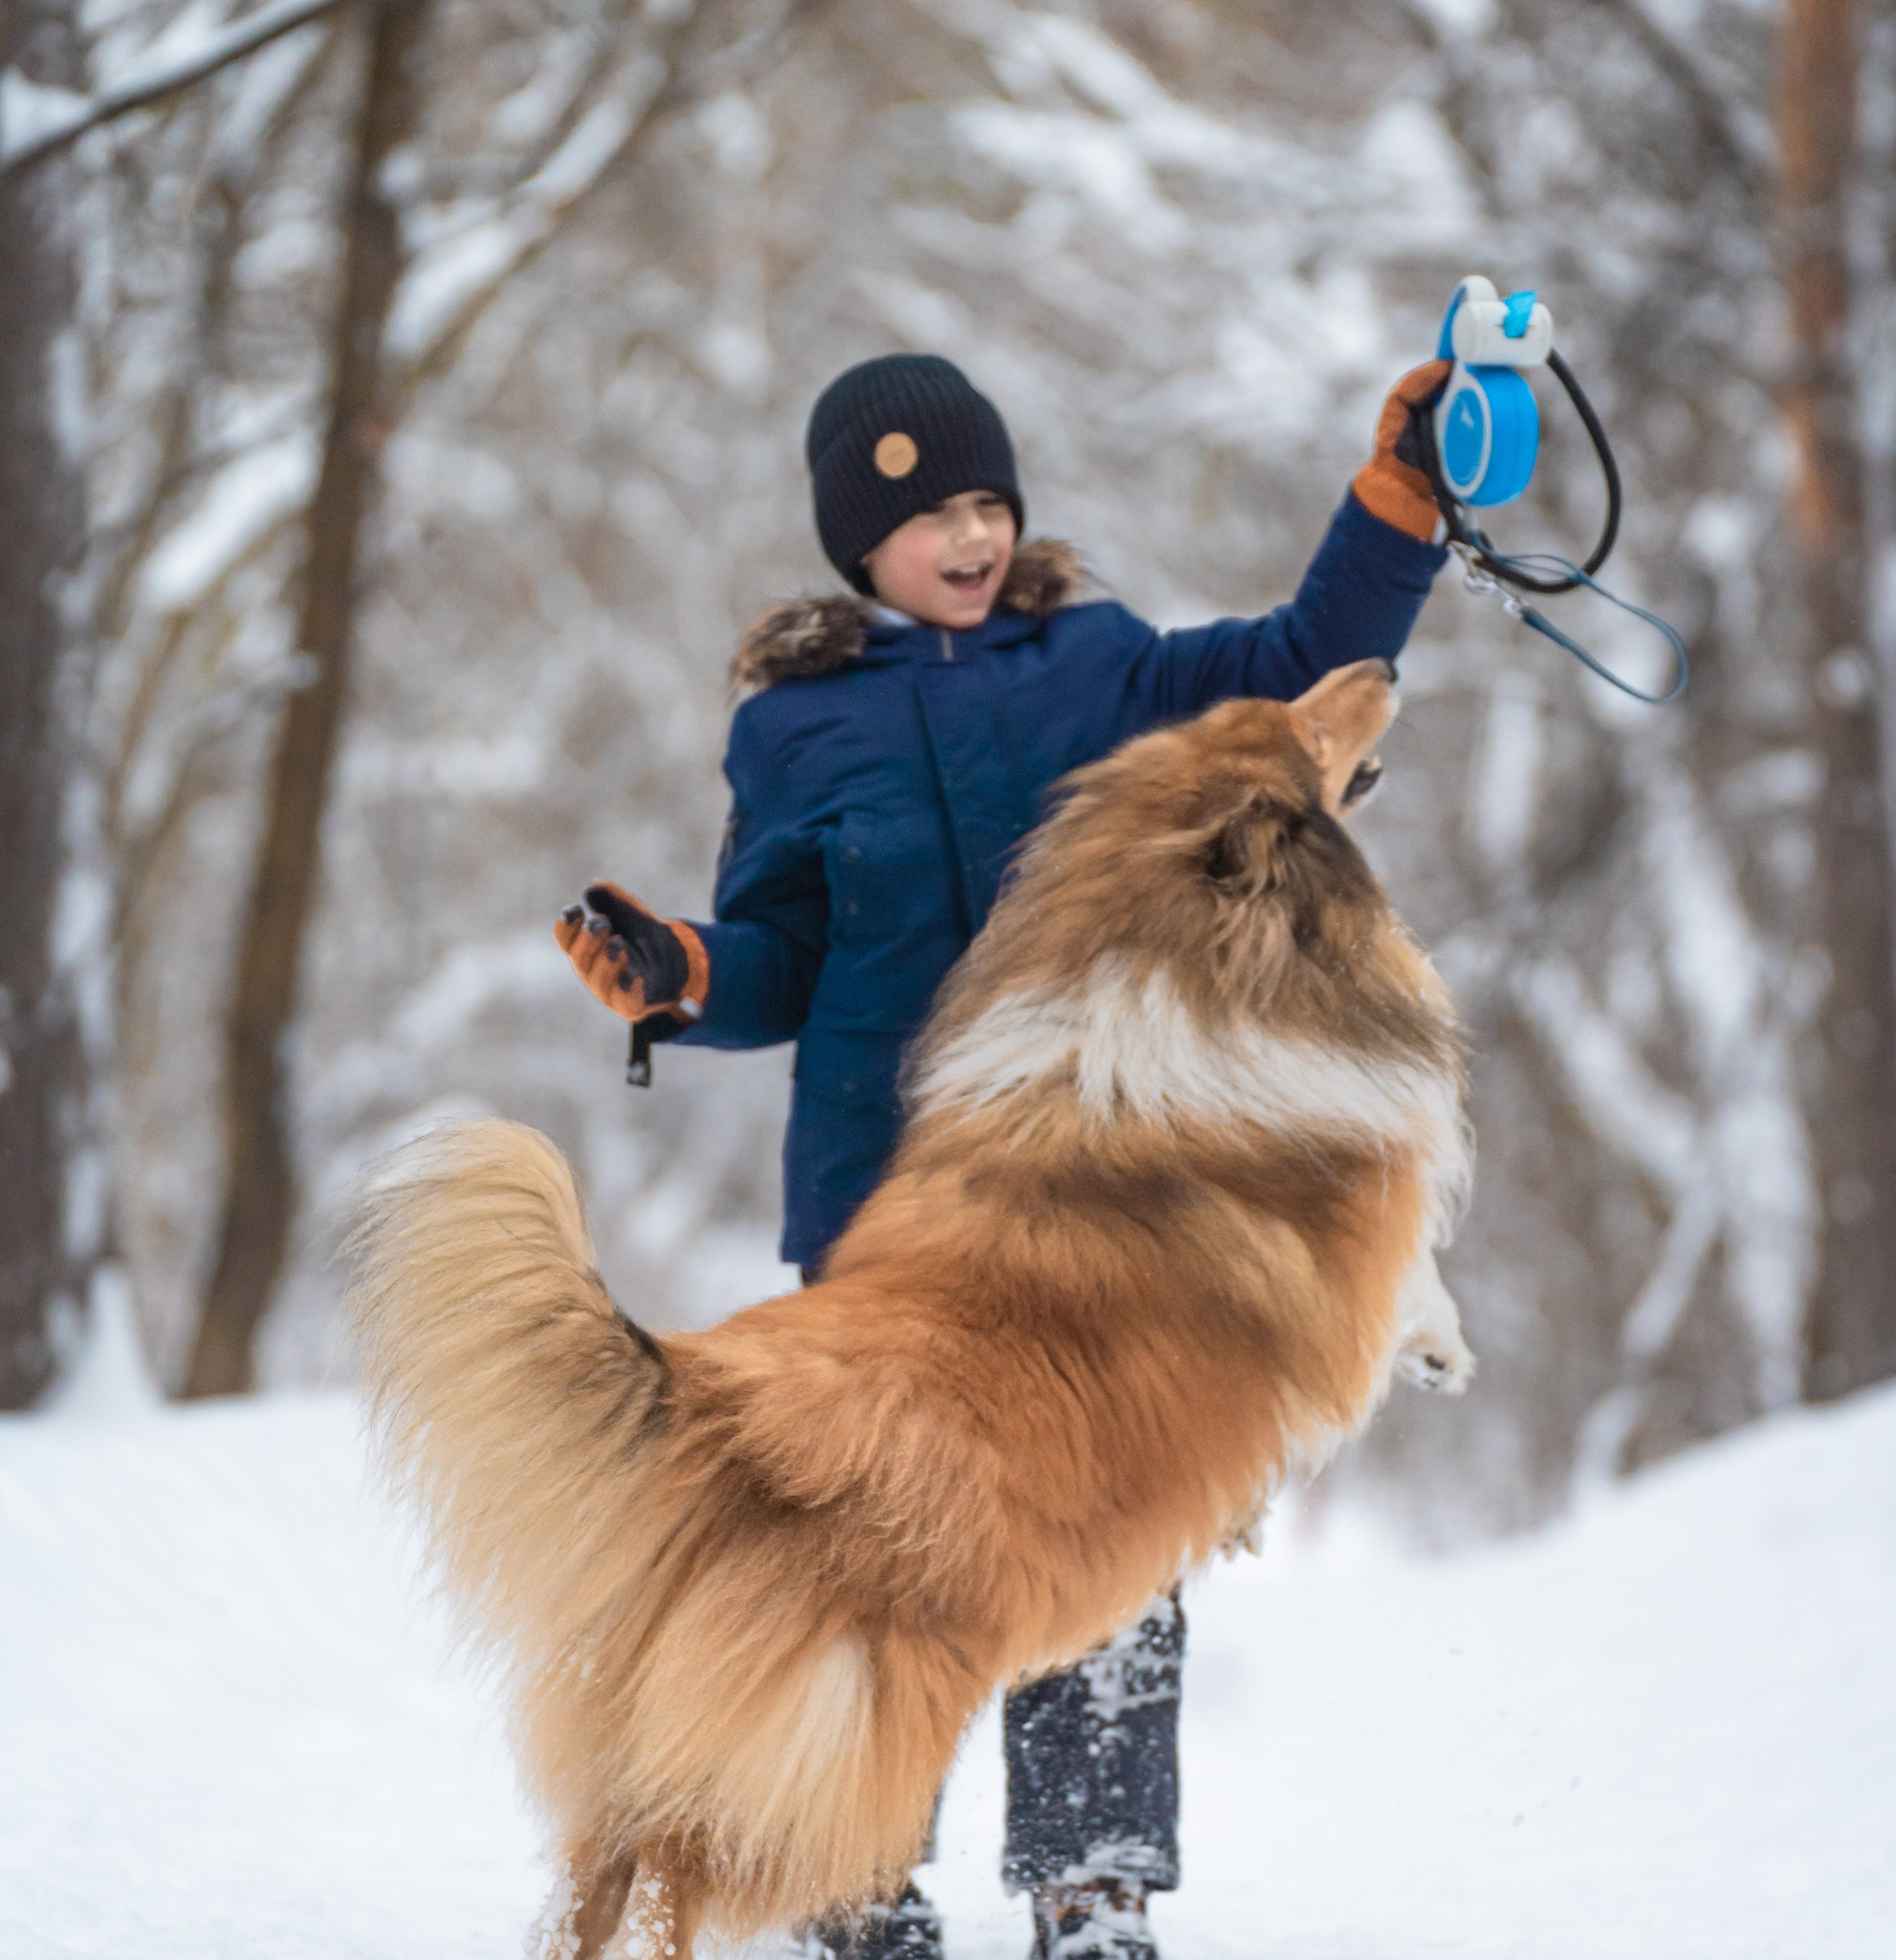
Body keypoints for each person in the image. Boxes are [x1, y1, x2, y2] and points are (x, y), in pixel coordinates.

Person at [553, 350, 1451, 1960]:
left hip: (1104, 1199)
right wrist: (683, 973)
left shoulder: (1096, 663)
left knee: (1115, 1537)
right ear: (856, 548)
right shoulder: (794, 728)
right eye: (922, 518)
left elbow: (1302, 668)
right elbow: (779, 951)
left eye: (985, 502)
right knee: (872, 1550)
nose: (965, 537)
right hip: (897, 1214)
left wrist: (1393, 504)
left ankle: (1092, 1891)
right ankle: (854, 1878)